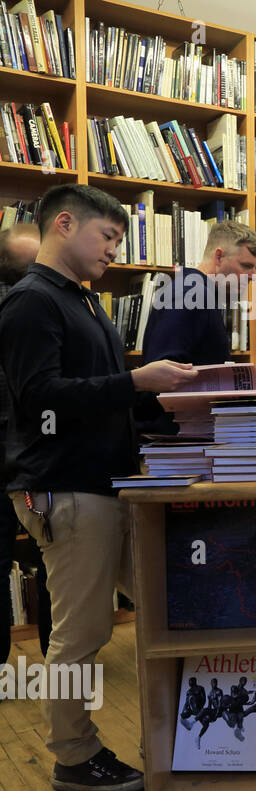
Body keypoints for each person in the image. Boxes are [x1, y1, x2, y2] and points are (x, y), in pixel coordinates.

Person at [0, 183, 198, 791]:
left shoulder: (82, 301)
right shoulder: (32, 302)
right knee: (80, 634)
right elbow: (38, 400)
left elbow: (97, 395)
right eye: (107, 236)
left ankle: (180, 736)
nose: (115, 249)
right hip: (66, 485)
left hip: (106, 484)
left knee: (166, 609)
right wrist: (136, 380)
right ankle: (72, 756)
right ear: (64, 224)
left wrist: (165, 404)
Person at [0, 223, 52, 665]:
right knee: (55, 562)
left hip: (25, 457)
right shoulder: (42, 308)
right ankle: (60, 663)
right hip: (37, 458)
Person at [141, 219, 256, 367]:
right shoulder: (192, 294)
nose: (252, 276)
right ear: (219, 257)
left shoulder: (196, 291)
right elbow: (163, 374)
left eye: (255, 268)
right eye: (246, 266)